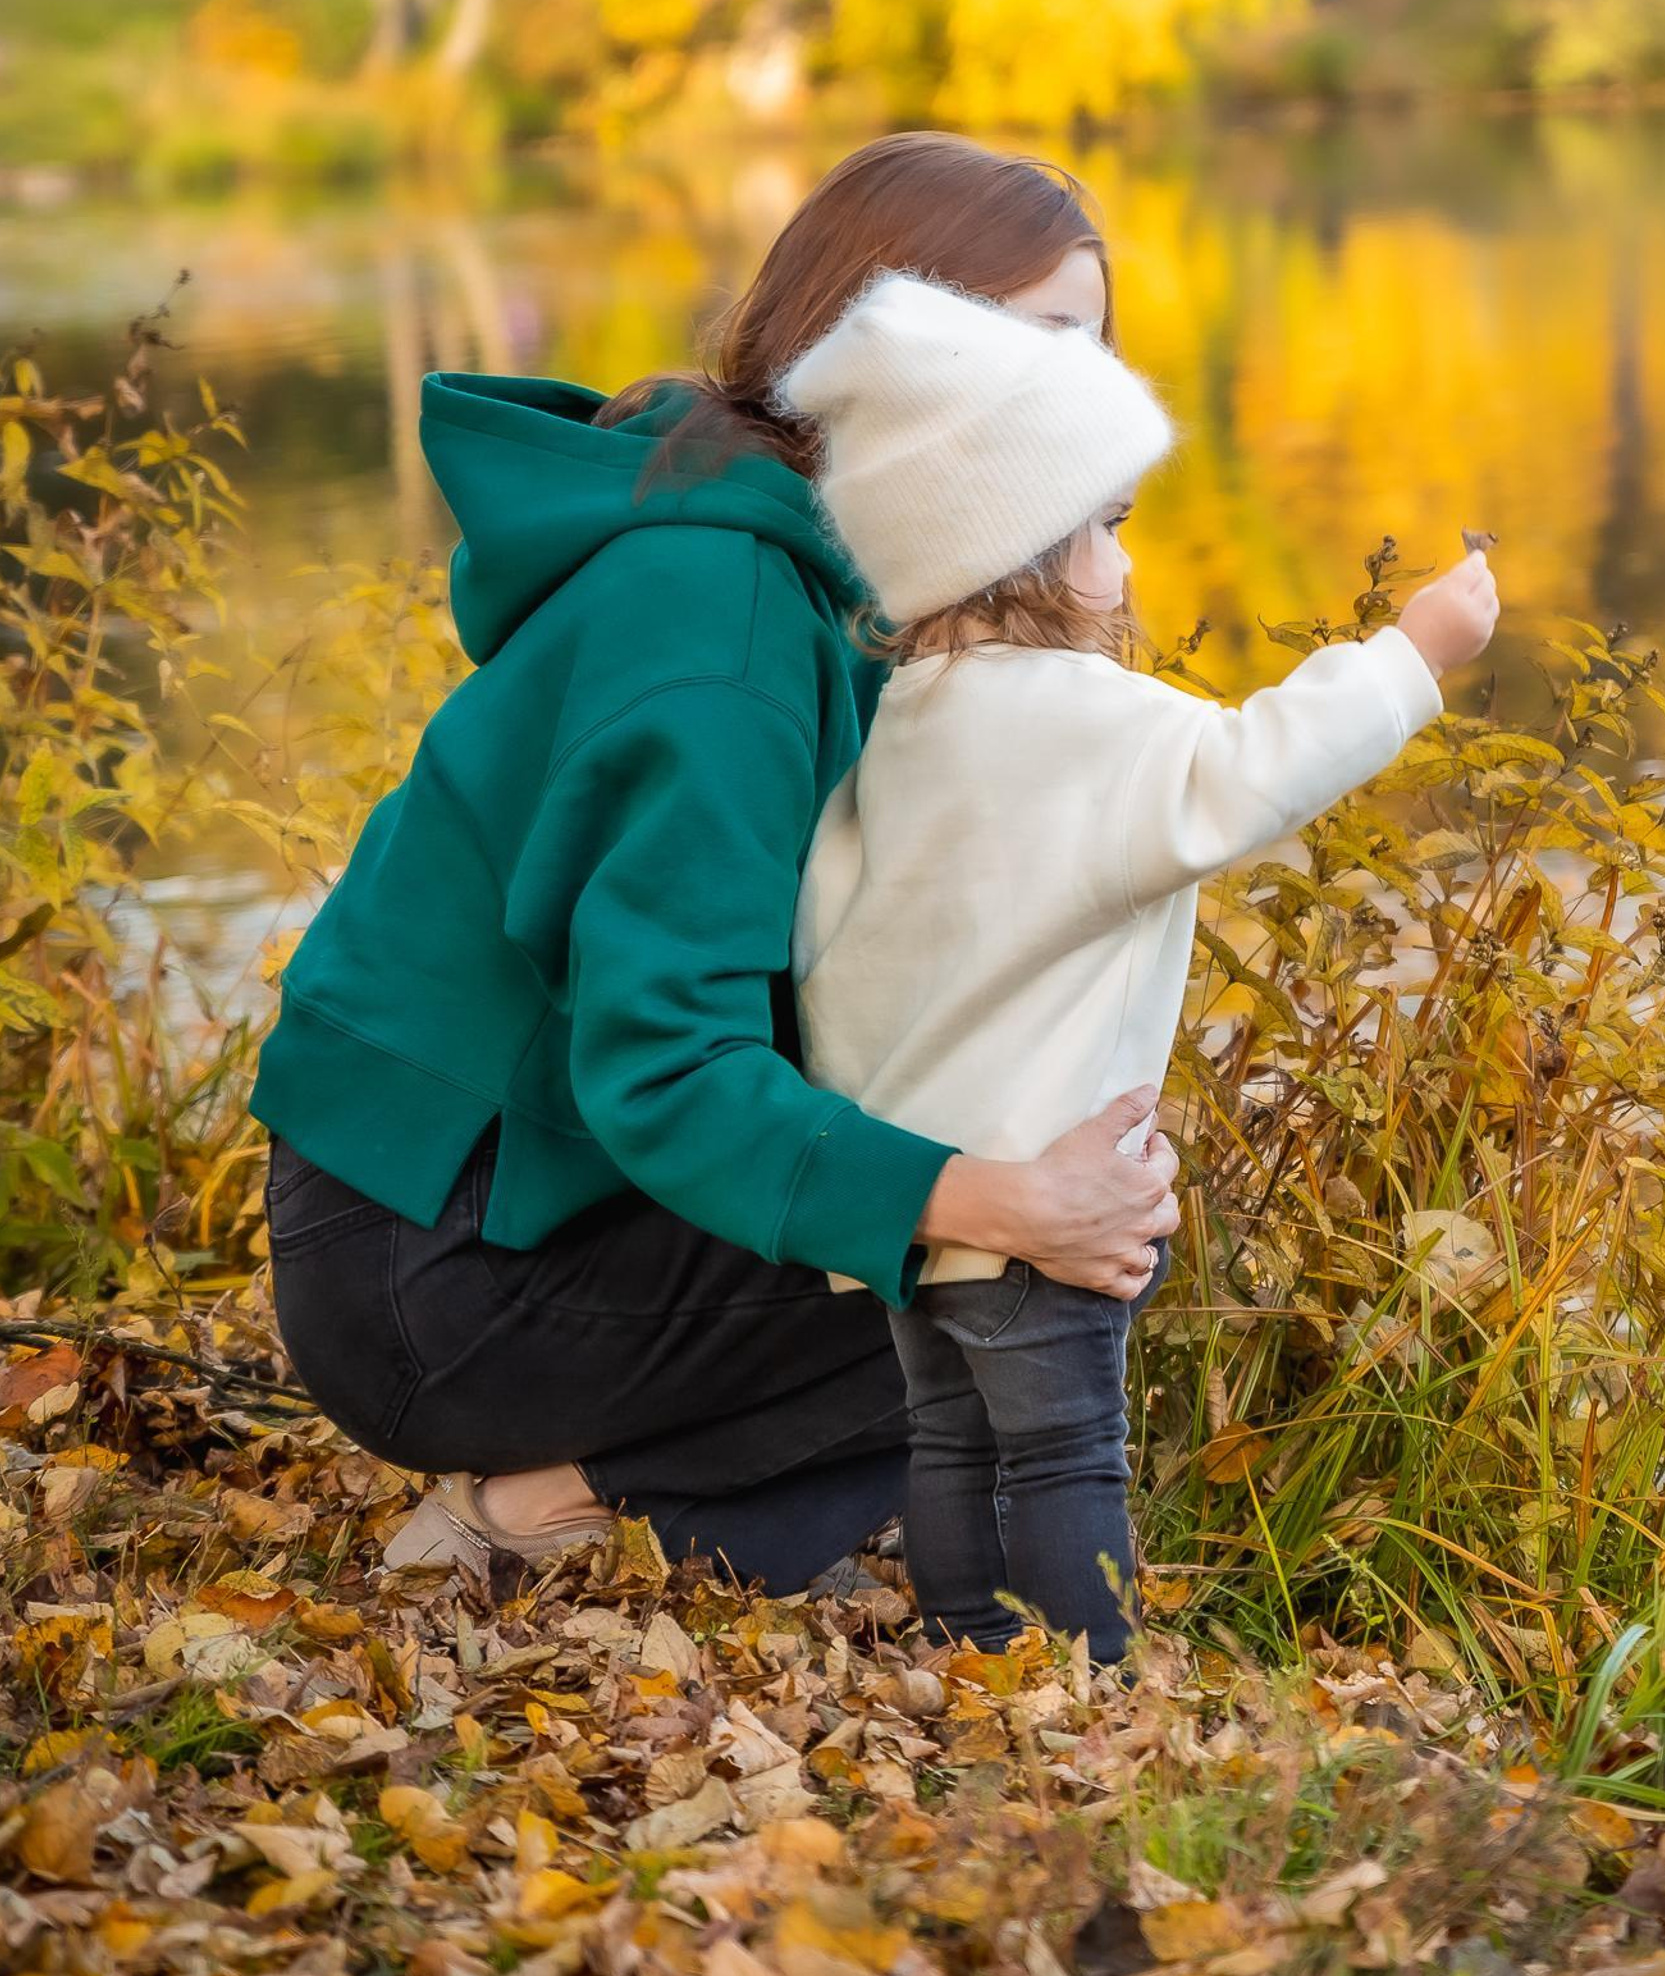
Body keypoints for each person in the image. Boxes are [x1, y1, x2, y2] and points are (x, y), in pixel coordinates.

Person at [250, 135, 1181, 1592]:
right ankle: (546, 1512)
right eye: (1044, 344)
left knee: (1081, 1214)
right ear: (883, 336)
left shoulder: (854, 571)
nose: (1088, 397)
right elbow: (667, 1060)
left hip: (551, 1186)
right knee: (1029, 1255)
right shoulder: (725, 617)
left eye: (1094, 352)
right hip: (438, 1272)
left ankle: (691, 1497)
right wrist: (994, 1199)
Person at [784, 276, 1500, 1662]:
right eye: (1107, 524)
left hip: (917, 1194)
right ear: (1020, 550)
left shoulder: (892, 729)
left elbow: (836, 951)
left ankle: (973, 1658)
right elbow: (1250, 770)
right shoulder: (1085, 720)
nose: (1125, 557)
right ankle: (1091, 1687)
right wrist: (1413, 657)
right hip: (1049, 1187)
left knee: (951, 1441)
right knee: (1067, 1450)